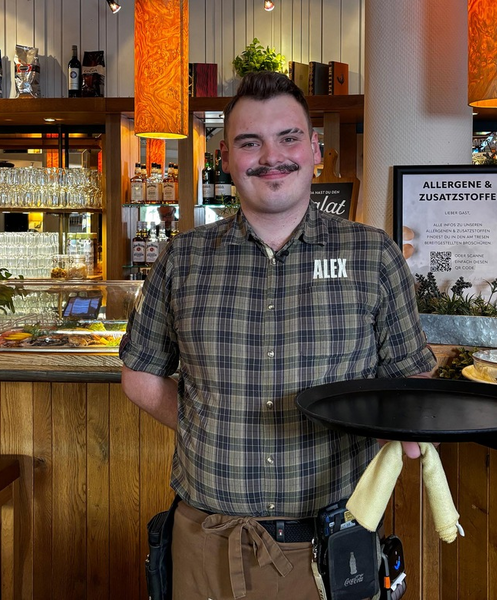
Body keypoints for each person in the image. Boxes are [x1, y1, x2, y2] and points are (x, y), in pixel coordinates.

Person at [120, 71, 435, 600]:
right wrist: (209, 417)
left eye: (288, 137)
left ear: (315, 149)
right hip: (205, 547)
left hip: (331, 550)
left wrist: (363, 433)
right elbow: (140, 375)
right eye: (250, 142)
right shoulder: (183, 258)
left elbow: (414, 384)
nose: (272, 156)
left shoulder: (372, 255)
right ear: (226, 157)